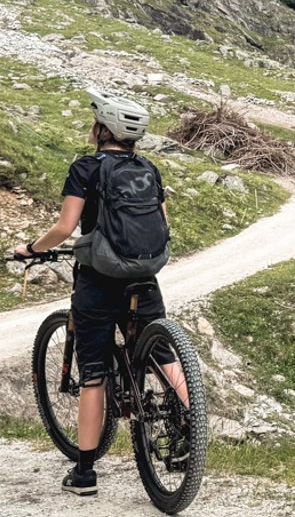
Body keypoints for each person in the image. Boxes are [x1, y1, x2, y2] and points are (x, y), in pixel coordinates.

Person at [13, 89, 176, 496]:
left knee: (94, 374)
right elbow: (163, 224)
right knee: (163, 356)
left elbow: (66, 228)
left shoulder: (85, 168)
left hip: (99, 279)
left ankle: (84, 474)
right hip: (144, 277)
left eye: (95, 121)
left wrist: (32, 249)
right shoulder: (148, 169)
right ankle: (188, 427)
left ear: (102, 128)